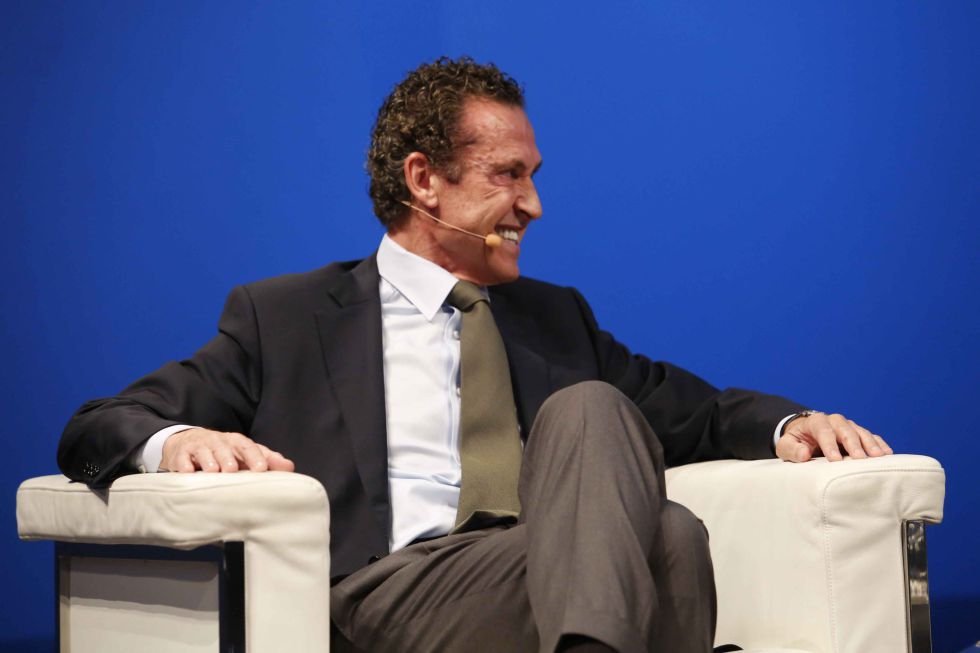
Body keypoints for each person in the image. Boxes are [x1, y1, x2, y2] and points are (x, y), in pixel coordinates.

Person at [58, 57, 892, 653]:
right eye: (507, 175)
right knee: (648, 511)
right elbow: (99, 424)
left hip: (545, 573)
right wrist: (175, 440)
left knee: (648, 494)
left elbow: (693, 411)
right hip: (387, 593)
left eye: (533, 176)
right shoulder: (286, 317)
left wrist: (790, 424)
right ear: (424, 180)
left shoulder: (555, 318)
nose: (534, 204)